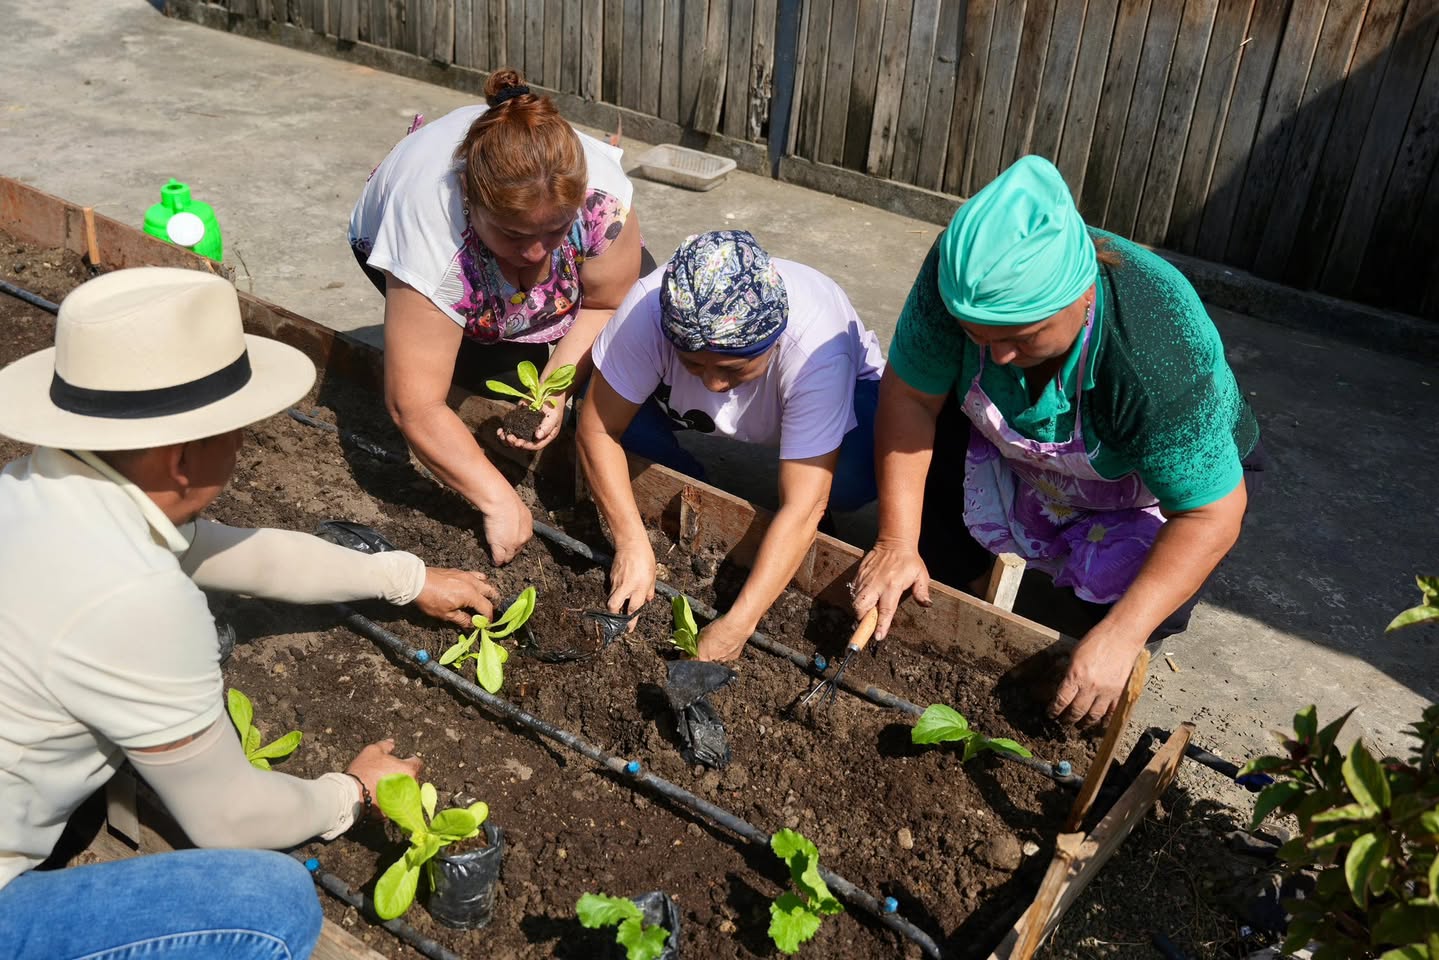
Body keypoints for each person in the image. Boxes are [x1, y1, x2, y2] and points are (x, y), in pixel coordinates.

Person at [0, 268, 499, 959]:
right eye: (238, 430)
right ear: (181, 460)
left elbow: (245, 558)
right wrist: (350, 791)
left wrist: (402, 577)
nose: (244, 444)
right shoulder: (133, 596)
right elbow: (229, 819)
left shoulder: (37, 490)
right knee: (267, 906)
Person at [851, 156, 1263, 727]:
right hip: (1019, 445)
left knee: (1102, 627)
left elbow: (1210, 514)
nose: (996, 358)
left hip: (1138, 473)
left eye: (1021, 338)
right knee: (934, 519)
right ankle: (971, 587)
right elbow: (913, 398)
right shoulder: (957, 273)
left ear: (1082, 296)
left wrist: (1121, 635)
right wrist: (897, 540)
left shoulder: (1155, 351)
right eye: (978, 337)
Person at [349, 68, 645, 565]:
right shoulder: (430, 231)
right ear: (469, 194)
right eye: (512, 234)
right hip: (415, 242)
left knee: (635, 314)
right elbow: (415, 405)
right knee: (483, 378)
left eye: (553, 232)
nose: (533, 253)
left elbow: (605, 302)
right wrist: (498, 500)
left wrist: (552, 391)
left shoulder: (602, 203)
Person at [578, 231, 885, 662]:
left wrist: (739, 622)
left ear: (773, 340)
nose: (714, 384)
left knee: (851, 479)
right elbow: (597, 429)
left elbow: (803, 506)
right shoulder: (649, 310)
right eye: (692, 363)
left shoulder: (815, 348)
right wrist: (630, 543)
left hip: (844, 394)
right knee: (633, 436)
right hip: (692, 408)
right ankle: (698, 483)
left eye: (734, 368)